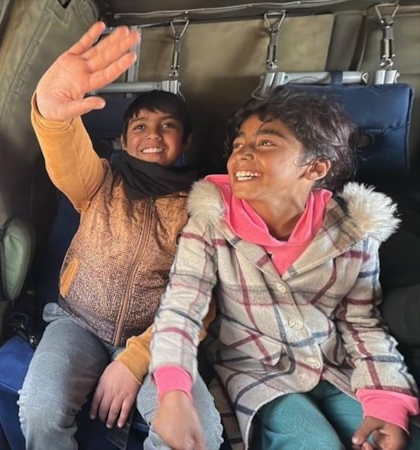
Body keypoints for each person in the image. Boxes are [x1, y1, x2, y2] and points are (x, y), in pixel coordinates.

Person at [149, 88, 420, 450]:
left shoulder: (353, 232)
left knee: (391, 436)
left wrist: (386, 398)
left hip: (334, 368)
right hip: (255, 371)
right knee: (313, 443)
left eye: (266, 143)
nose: (242, 153)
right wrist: (173, 392)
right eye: (239, 144)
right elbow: (181, 308)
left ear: (315, 167)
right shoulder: (211, 223)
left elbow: (362, 322)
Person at [18, 21, 223, 450]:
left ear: (185, 140)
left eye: (167, 126)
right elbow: (67, 155)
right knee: (39, 409)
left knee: (197, 433)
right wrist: (52, 115)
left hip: (160, 339)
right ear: (125, 140)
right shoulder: (100, 181)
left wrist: (134, 360)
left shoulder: (200, 206)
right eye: (140, 127)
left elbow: (200, 302)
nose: (153, 135)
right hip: (78, 323)